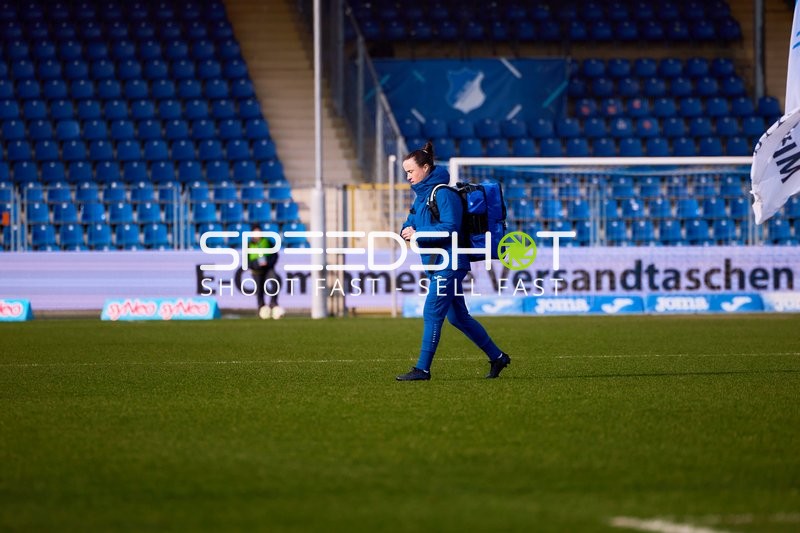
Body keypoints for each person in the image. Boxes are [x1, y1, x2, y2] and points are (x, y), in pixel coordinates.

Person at [396, 141, 511, 381]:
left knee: (432, 312)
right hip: (437, 263)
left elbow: (451, 228)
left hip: (450, 263)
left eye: (411, 171)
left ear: (425, 168)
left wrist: (418, 233)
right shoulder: (420, 198)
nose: (408, 176)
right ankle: (498, 357)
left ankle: (422, 369)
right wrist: (406, 230)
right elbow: (410, 222)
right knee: (458, 318)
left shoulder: (444, 194)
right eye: (406, 172)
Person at [247, 224, 282, 319]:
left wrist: (269, 263)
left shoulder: (267, 242)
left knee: (275, 282)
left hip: (268, 268)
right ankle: (261, 307)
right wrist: (254, 265)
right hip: (256, 271)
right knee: (259, 289)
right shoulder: (249, 245)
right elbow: (247, 260)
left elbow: (275, 255)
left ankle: (273, 303)